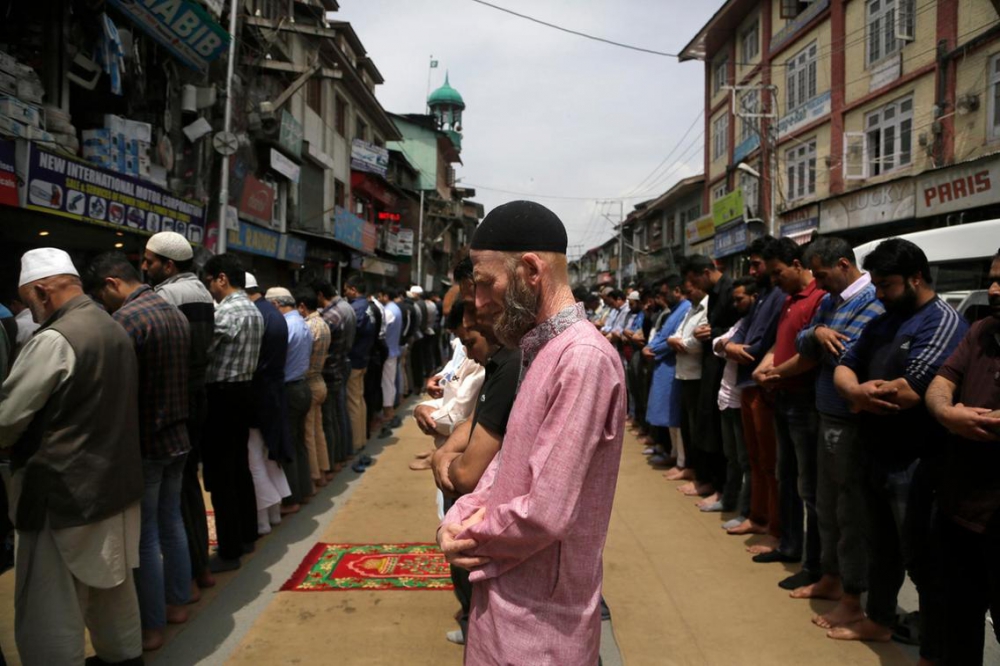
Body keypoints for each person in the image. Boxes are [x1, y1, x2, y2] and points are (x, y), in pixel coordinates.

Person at [438, 201, 625, 665]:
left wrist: (466, 535)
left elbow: (545, 511)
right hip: (506, 595)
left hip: (540, 620)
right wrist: (461, 513)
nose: (480, 303)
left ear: (530, 271)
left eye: (486, 284)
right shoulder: (540, 348)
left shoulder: (581, 358)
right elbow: (507, 463)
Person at [0, 248, 143, 664]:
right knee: (113, 597)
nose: (31, 312)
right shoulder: (113, 326)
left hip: (62, 496)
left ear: (42, 292)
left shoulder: (55, 339)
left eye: (29, 301)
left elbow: (7, 419)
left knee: (50, 610)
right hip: (114, 488)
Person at [833, 238, 966, 660]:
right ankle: (879, 619)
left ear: (916, 279)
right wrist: (856, 392)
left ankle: (933, 649)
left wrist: (860, 397)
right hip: (875, 451)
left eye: (886, 285)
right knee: (881, 546)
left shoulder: (940, 321)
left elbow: (911, 390)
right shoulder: (884, 319)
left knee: (923, 561)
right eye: (875, 284)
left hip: (916, 462)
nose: (878, 293)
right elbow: (844, 364)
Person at [83, 251, 193, 652]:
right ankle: (178, 602)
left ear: (112, 284)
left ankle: (152, 625)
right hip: (177, 436)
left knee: (146, 536)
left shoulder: (127, 320)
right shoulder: (173, 313)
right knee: (172, 522)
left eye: (102, 295)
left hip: (146, 442)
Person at [781, 238, 884, 625]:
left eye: (823, 275)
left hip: (851, 422)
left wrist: (819, 338)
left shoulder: (871, 300)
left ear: (844, 264)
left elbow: (847, 351)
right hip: (826, 415)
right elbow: (804, 339)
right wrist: (819, 332)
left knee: (849, 511)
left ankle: (853, 593)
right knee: (824, 505)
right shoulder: (830, 302)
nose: (820, 285)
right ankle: (831, 576)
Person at [926, 248, 1000, 664]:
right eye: (992, 280)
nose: (994, 290)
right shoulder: (981, 330)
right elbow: (943, 380)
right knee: (957, 620)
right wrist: (945, 412)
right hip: (960, 508)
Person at [143, 230, 217, 593]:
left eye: (150, 262)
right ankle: (199, 567)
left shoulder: (166, 296)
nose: (145, 267)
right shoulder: (203, 292)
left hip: (176, 399)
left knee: (172, 498)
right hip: (198, 394)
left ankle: (187, 574)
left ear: (168, 265)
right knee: (188, 487)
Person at [751, 238, 826, 592]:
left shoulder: (818, 298)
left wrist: (776, 373)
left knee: (809, 486)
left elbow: (811, 355)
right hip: (782, 397)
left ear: (797, 264)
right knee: (786, 475)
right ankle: (790, 544)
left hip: (804, 401)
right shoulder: (788, 299)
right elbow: (777, 344)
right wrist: (766, 367)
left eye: (778, 272)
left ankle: (815, 564)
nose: (774, 280)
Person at [201, 253, 264, 572]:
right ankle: (248, 533)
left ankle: (229, 549)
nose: (209, 289)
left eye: (209, 282)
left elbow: (205, 351)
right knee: (240, 466)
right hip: (243, 391)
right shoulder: (252, 309)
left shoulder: (226, 311)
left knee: (222, 474)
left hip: (222, 395)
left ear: (222, 279)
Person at [722, 236, 785, 536]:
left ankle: (771, 522)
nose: (752, 270)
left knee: (768, 460)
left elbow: (759, 345)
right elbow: (743, 331)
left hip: (762, 386)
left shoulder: (778, 296)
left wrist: (736, 348)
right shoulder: (763, 295)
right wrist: (732, 345)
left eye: (757, 264)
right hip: (747, 383)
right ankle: (758, 516)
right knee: (756, 457)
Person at [681, 255, 738, 510]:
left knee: (721, 435)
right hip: (710, 366)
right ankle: (713, 484)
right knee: (708, 428)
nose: (695, 287)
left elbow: (737, 328)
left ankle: (724, 490)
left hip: (724, 369)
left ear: (706, 272)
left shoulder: (730, 291)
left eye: (695, 281)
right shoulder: (714, 294)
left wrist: (712, 333)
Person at [243, 279, 292, 536]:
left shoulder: (256, 315)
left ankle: (263, 520)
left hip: (258, 394)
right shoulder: (274, 314)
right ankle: (273, 514)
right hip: (273, 392)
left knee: (254, 459)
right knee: (268, 455)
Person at [710, 276, 758, 515]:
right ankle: (729, 500)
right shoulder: (741, 322)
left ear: (754, 297)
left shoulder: (756, 324)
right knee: (731, 456)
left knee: (745, 459)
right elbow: (718, 343)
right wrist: (727, 346)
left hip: (742, 400)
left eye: (740, 299)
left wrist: (726, 346)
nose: (736, 304)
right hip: (727, 397)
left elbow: (745, 352)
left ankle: (746, 510)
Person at [264, 285, 313, 509]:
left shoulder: (287, 325)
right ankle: (304, 491)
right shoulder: (302, 323)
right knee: (299, 443)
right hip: (302, 386)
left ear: (276, 304)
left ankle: (292, 498)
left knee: (289, 445)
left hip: (290, 389)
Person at [643, 276, 691, 472]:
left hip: (673, 366)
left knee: (676, 417)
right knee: (670, 417)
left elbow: (673, 340)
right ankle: (674, 454)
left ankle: (681, 461)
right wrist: (650, 347)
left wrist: (653, 349)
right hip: (664, 366)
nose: (661, 298)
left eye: (664, 293)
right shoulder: (674, 311)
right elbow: (663, 336)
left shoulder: (685, 308)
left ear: (677, 291)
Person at [669, 278, 709, 496]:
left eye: (690, 289)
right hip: (684, 373)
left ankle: (701, 476)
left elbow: (696, 343)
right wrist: (676, 341)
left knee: (697, 430)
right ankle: (691, 469)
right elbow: (677, 333)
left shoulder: (706, 307)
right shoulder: (691, 309)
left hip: (697, 376)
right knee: (686, 425)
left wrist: (679, 343)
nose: (687, 294)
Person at [314, 280, 355, 470]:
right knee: (340, 412)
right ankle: (343, 454)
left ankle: (336, 460)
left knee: (332, 417)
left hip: (332, 369)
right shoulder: (345, 308)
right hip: (342, 363)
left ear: (320, 295)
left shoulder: (332, 316)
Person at [344, 277, 376, 458]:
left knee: (354, 402)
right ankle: (361, 438)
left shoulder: (356, 308)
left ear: (354, 289)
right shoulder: (369, 306)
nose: (345, 293)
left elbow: (351, 334)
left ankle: (356, 442)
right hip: (364, 357)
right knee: (359, 400)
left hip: (355, 359)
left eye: (346, 289)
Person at [378, 286, 404, 437]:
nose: (379, 299)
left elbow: (382, 332)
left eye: (380, 296)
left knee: (387, 383)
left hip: (388, 351)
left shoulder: (388, 311)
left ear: (386, 296)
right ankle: (390, 411)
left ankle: (388, 413)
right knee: (390, 382)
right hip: (393, 349)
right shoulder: (396, 308)